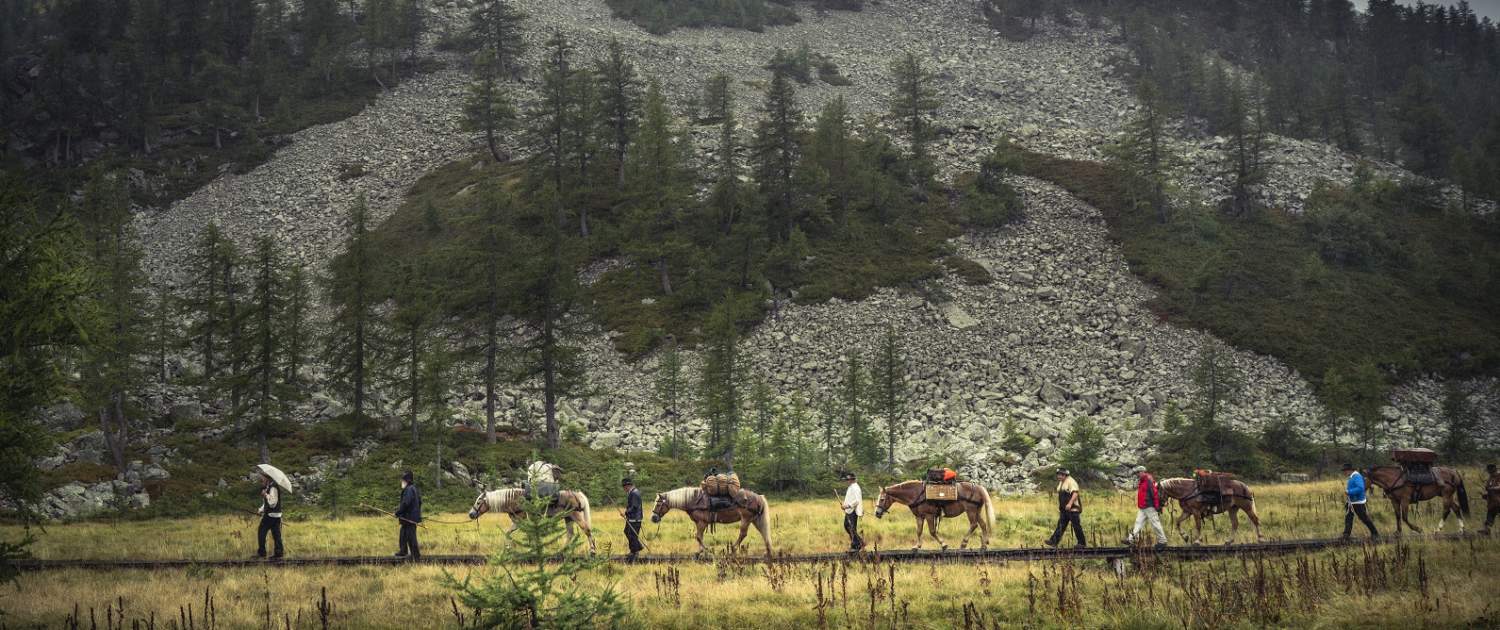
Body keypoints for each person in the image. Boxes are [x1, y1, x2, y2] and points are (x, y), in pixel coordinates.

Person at [1122, 465, 1167, 549]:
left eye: (1139, 472)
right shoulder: (1142, 481)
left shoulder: (1148, 480)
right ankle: (1131, 539)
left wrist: (1157, 506)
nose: (1138, 474)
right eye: (1137, 473)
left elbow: (1154, 493)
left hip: (1150, 507)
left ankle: (1162, 541)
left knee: (1155, 524)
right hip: (1142, 507)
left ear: (1143, 472)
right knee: (1138, 523)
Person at [1044, 468, 1085, 548]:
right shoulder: (1062, 482)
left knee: (1076, 526)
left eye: (1060, 475)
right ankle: (1054, 541)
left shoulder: (1071, 482)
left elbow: (1075, 493)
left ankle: (1082, 543)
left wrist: (1070, 504)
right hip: (1064, 510)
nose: (1058, 476)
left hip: (1073, 509)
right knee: (1061, 525)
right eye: (1058, 474)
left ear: (1065, 475)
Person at [1340, 463, 1379, 541]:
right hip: (1351, 502)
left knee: (1364, 518)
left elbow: (1361, 488)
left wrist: (1349, 492)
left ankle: (1375, 533)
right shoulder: (1353, 476)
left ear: (1350, 470)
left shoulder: (1357, 476)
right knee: (1348, 517)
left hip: (1358, 502)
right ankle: (1346, 534)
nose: (1344, 472)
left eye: (1345, 471)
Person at [255, 473, 284, 560]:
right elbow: (267, 504)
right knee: (276, 534)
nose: (262, 480)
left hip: (270, 515)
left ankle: (262, 553)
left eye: (263, 478)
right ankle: (278, 553)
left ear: (268, 478)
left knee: (261, 531)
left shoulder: (273, 487)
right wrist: (260, 510)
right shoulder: (269, 487)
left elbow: (272, 503)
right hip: (275, 515)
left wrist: (265, 495)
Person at [394, 470, 422, 559]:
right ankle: (403, 551)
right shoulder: (413, 488)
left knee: (411, 536)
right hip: (409, 518)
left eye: (403, 480)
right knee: (403, 534)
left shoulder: (409, 489)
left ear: (407, 480)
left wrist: (398, 512)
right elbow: (420, 502)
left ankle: (415, 555)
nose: (402, 482)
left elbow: (406, 503)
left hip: (409, 518)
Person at [621, 478, 644, 561]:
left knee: (632, 535)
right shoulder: (632, 492)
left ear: (627, 486)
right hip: (632, 518)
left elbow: (634, 507)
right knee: (627, 532)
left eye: (624, 487)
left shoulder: (635, 493)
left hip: (635, 519)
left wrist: (625, 513)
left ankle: (634, 552)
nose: (624, 489)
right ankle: (636, 548)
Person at [841, 472, 864, 552]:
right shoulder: (851, 487)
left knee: (851, 528)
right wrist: (844, 505)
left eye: (848, 479)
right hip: (849, 511)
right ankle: (859, 542)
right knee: (847, 526)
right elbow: (849, 498)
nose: (847, 481)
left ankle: (856, 545)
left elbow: (857, 501)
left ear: (852, 480)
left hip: (853, 511)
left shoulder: (855, 488)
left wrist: (847, 506)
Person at [1481, 463, 1498, 535]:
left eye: (1489, 471)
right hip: (1493, 502)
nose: (1488, 472)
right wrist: (1485, 495)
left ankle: (1486, 531)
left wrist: (1492, 489)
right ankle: (1486, 531)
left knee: (1490, 515)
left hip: (1497, 501)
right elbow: (1488, 488)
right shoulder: (1490, 478)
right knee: (1489, 517)